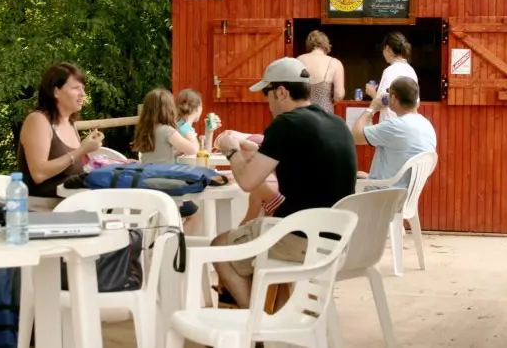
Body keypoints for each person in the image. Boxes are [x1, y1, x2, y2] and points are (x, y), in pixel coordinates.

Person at [212, 57, 357, 309]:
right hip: (336, 237)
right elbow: (303, 165)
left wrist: (231, 150)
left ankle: (258, 326)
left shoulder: (286, 123)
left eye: (267, 93)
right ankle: (277, 316)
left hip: (300, 237)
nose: (266, 101)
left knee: (219, 247)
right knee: (263, 248)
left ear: (281, 91)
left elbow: (247, 182)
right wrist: (253, 151)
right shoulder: (337, 123)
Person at [18, 62, 103, 211]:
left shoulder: (71, 123)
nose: (82, 93)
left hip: (71, 207)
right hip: (41, 210)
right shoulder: (38, 120)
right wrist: (81, 150)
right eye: (76, 88)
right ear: (56, 92)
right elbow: (38, 173)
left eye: (83, 88)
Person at [132, 88, 202, 233]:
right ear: (168, 109)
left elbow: (158, 154)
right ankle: (174, 245)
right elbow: (193, 149)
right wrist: (193, 138)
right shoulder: (167, 131)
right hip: (165, 188)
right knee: (195, 215)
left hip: (146, 187)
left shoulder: (145, 131)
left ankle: (166, 243)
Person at [351, 76, 437, 185]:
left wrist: (372, 107)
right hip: (403, 195)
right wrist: (371, 177)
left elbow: (355, 136)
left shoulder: (394, 126)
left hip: (382, 196)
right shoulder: (427, 126)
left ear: (393, 98)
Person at [365, 31, 418, 122]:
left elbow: (384, 101)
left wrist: (372, 92)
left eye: (383, 49)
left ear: (388, 49)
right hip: (408, 123)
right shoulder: (411, 70)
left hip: (391, 123)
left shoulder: (390, 71)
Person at [296, 30, 345, 113]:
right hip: (324, 113)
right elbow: (339, 95)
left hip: (302, 113)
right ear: (326, 44)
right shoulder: (335, 63)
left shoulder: (298, 60)